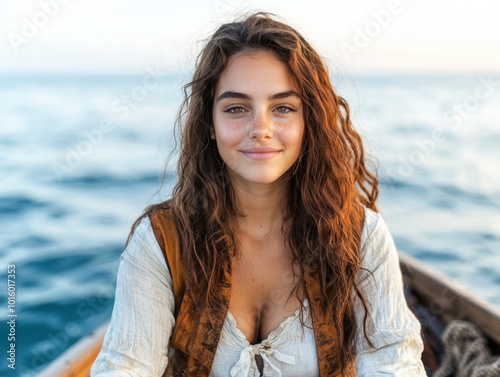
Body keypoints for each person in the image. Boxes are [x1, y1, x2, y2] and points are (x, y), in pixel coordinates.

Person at [91, 12, 426, 377]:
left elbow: (393, 362)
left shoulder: (361, 237)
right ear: (210, 125)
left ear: (307, 122)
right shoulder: (161, 241)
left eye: (283, 108)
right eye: (236, 108)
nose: (260, 129)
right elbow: (126, 367)